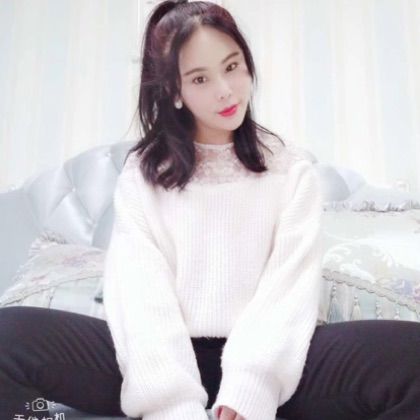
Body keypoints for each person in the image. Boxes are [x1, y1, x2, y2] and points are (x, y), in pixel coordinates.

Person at [1, 1, 420, 420]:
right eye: (200, 78)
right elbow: (141, 293)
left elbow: (288, 287)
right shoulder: (143, 175)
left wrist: (250, 389)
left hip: (276, 363)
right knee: (7, 335)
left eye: (232, 66)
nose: (225, 90)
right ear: (174, 91)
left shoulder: (291, 170)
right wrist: (172, 405)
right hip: (157, 362)